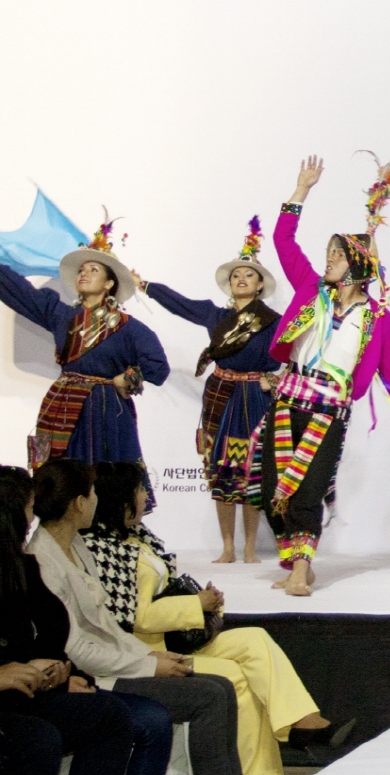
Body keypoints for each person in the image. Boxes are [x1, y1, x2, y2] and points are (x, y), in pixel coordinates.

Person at [83, 464, 349, 773]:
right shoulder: (102, 549)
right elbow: (136, 617)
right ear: (120, 499)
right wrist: (195, 604)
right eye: (140, 490)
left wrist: (202, 603)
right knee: (234, 679)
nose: (146, 496)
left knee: (254, 639)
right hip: (146, 651)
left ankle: (303, 722)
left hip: (173, 637)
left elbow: (159, 594)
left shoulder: (137, 537)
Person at [256, 155, 390, 595]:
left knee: (308, 489)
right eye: (328, 254)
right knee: (272, 488)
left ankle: (299, 570)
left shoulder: (376, 319)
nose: (327, 260)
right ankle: (295, 560)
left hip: (329, 411)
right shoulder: (310, 290)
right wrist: (301, 190)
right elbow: (283, 240)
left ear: (357, 267)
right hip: (288, 400)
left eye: (337, 255)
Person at [27, 460, 243, 775]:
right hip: (96, 674)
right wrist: (148, 666)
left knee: (222, 687)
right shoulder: (43, 562)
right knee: (208, 697)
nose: (97, 500)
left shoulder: (75, 544)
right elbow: (77, 649)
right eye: (92, 493)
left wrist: (149, 655)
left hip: (117, 662)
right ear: (78, 503)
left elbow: (106, 624)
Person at [0, 465, 169, 775]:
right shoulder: (38, 559)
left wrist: (58, 673)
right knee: (41, 739)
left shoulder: (25, 565)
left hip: (33, 689)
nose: (31, 518)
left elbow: (54, 629)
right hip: (17, 697)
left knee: (109, 715)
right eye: (27, 509)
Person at [137, 218, 283, 564]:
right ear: (229, 285)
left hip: (255, 398)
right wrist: (145, 286)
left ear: (260, 285)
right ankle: (228, 547)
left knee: (251, 469)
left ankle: (250, 547)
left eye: (248, 275)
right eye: (236, 275)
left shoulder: (275, 322)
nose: (241, 279)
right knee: (222, 469)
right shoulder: (216, 317)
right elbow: (180, 303)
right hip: (222, 397)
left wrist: (272, 379)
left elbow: (288, 357)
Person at [0, 216, 169, 471]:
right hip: (60, 406)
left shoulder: (129, 328)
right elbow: (18, 291)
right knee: (57, 478)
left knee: (107, 479)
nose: (84, 273)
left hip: (105, 411)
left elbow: (158, 367)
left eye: (93, 270)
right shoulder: (61, 316)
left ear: (109, 283)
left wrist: (128, 377)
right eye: (81, 270)